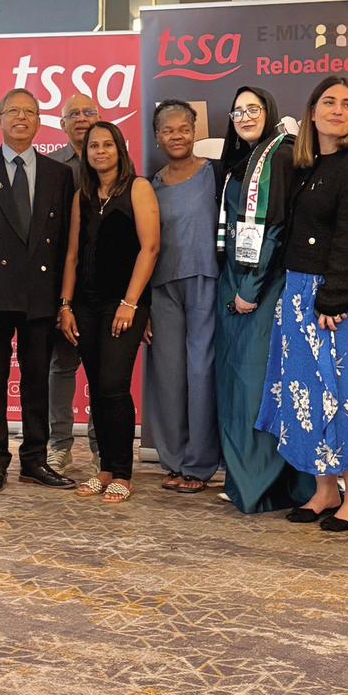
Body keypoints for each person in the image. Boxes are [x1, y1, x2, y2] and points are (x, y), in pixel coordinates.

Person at [258, 79, 348, 529]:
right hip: (299, 293)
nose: (338, 110)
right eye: (329, 102)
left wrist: (335, 296)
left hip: (343, 296)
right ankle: (324, 490)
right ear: (312, 111)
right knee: (307, 394)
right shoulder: (306, 164)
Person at [0, 88, 75, 493]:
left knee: (37, 378)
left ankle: (35, 460)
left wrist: (65, 299)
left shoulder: (60, 174)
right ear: (1, 120)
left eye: (30, 112)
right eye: (14, 111)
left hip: (41, 293)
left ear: (39, 121)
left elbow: (63, 244)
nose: (22, 118)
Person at [215, 86, 313, 514]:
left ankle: (266, 486)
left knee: (258, 388)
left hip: (260, 287)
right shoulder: (246, 159)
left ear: (269, 111)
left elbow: (272, 229)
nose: (245, 116)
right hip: (235, 282)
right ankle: (245, 481)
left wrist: (250, 289)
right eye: (238, 111)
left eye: (253, 108)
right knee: (237, 386)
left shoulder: (281, 155)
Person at [58, 122, 160, 503]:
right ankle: (102, 469)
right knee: (98, 389)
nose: (100, 151)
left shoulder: (139, 188)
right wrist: (65, 306)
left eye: (107, 145)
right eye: (93, 146)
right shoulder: (82, 195)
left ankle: (123, 472)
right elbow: (71, 255)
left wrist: (130, 304)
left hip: (125, 305)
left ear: (120, 149)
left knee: (115, 386)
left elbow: (149, 249)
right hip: (85, 305)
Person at [145, 99, 220, 493]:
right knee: (169, 375)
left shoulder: (215, 176)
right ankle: (172, 461)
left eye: (184, 128)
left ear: (195, 132)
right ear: (158, 136)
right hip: (162, 288)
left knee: (200, 373)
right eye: (168, 130)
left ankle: (200, 464)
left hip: (206, 280)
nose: (177, 136)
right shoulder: (150, 185)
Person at [46, 92, 101, 478]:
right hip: (64, 282)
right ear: (62, 125)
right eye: (73, 114)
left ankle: (104, 449)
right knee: (62, 366)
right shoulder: (52, 170)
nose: (81, 119)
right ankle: (59, 447)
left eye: (88, 112)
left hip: (105, 286)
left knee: (103, 371)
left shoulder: (116, 163)